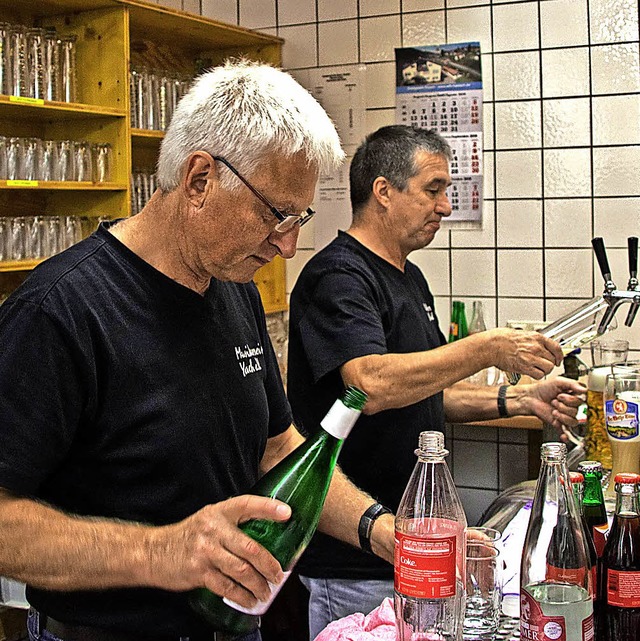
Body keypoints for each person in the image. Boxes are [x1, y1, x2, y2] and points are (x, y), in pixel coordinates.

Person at [0, 60, 396, 641]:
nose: (288, 244)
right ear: (200, 180)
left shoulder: (233, 292)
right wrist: (164, 551)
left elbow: (277, 448)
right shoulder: (60, 310)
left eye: (300, 217)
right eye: (276, 214)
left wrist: (381, 530)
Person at [286, 125, 586, 640]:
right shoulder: (337, 277)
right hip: (353, 557)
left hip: (415, 545)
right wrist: (487, 346)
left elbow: (422, 392)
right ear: (383, 191)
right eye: (434, 190)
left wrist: (519, 398)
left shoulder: (409, 277)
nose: (446, 206)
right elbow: (371, 384)